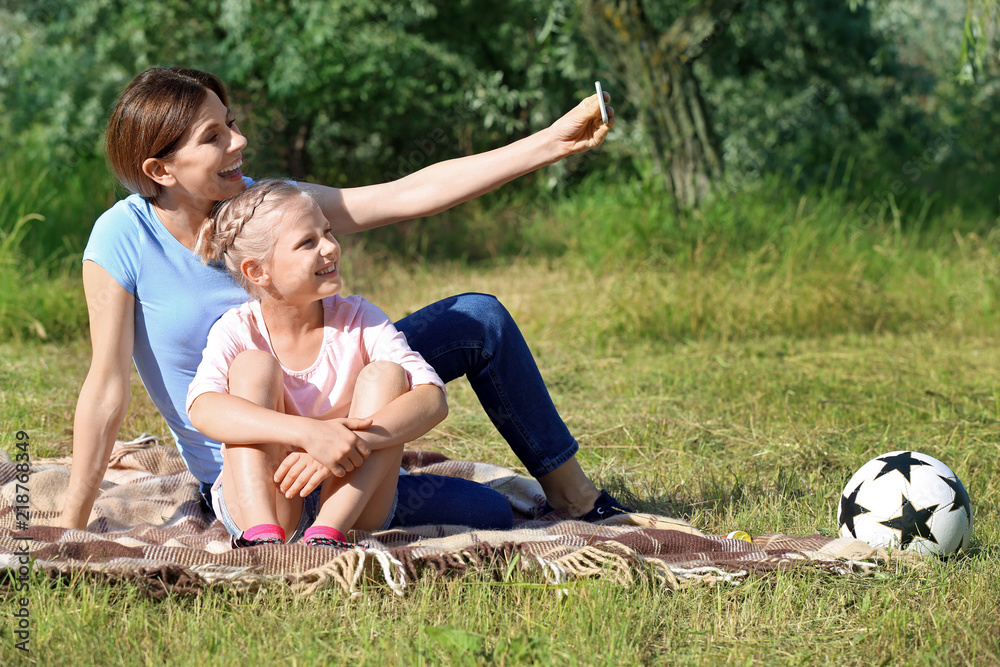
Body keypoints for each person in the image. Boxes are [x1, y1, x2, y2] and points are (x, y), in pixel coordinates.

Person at [60, 66, 632, 531]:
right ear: (160, 168)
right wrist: (69, 527)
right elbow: (107, 387)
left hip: (344, 434)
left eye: (230, 124)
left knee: (477, 321)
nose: (239, 142)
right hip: (252, 470)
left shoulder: (268, 207)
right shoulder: (122, 239)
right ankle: (306, 522)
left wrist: (552, 143)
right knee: (254, 372)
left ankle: (576, 498)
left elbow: (408, 195)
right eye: (213, 137)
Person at [186, 180, 513, 547]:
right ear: (258, 271)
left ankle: (327, 535)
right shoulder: (237, 329)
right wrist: (308, 435)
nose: (329, 247)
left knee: (389, 378)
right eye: (307, 243)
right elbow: (203, 408)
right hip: (268, 499)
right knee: (252, 367)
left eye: (327, 232)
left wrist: (345, 444)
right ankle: (262, 540)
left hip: (352, 500)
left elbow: (432, 399)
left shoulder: (360, 317)